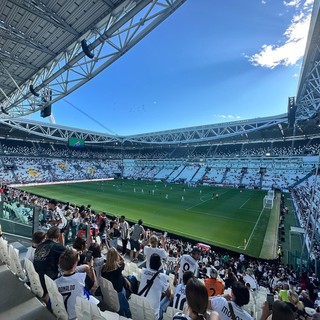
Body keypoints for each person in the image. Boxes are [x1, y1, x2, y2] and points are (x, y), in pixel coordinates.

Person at [55, 248, 98, 320]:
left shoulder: (55, 282)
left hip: (64, 316)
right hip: (79, 316)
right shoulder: (82, 277)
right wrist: (91, 267)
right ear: (75, 263)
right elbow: (94, 286)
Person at [33, 226, 66, 298]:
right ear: (58, 236)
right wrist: (61, 242)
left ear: (47, 235)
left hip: (38, 281)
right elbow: (69, 257)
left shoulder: (39, 246)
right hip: (49, 283)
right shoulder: (57, 247)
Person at [138, 253, 171, 320]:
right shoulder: (162, 277)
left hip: (138, 307)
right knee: (169, 297)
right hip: (153, 315)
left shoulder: (143, 271)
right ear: (159, 264)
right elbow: (169, 294)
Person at [101, 247, 131, 318]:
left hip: (111, 293)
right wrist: (116, 252)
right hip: (119, 293)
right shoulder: (118, 268)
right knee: (130, 281)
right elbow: (123, 260)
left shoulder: (103, 269)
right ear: (116, 256)